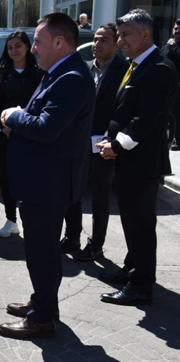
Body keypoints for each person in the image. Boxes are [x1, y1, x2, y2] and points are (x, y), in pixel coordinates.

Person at [0, 12, 95, 339]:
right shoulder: (58, 72)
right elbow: (42, 120)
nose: (34, 48)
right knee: (45, 250)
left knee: (41, 252)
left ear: (59, 41)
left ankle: (42, 318)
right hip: (43, 180)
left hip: (47, 183)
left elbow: (46, 127)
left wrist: (13, 116)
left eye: (38, 41)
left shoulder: (71, 77)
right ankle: (43, 304)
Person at [97, 9, 178, 306]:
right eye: (118, 35)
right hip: (128, 158)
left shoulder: (158, 68)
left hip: (141, 162)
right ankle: (132, 270)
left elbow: (146, 119)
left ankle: (142, 286)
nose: (120, 41)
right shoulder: (135, 66)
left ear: (146, 35)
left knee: (140, 224)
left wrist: (116, 146)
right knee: (132, 221)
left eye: (125, 35)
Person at [62, 23, 128, 261]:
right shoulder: (86, 69)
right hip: (78, 142)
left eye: (104, 40)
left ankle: (96, 244)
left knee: (100, 197)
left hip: (104, 145)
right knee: (73, 193)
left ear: (116, 43)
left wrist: (112, 139)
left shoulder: (123, 71)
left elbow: (122, 111)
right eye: (96, 40)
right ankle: (72, 238)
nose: (97, 44)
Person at [0, 31, 42, 238]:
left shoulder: (38, 74)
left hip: (30, 133)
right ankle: (11, 220)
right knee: (7, 177)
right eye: (10, 47)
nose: (14, 51)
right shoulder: (1, 75)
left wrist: (25, 126)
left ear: (28, 47)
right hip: (4, 134)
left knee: (31, 177)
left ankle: (33, 222)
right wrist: (5, 127)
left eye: (18, 46)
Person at [161, 18, 180, 150]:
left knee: (177, 115)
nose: (177, 31)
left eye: (179, 29)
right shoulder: (167, 45)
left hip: (178, 88)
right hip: (164, 87)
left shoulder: (174, 46)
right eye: (175, 28)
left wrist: (174, 46)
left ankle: (177, 140)